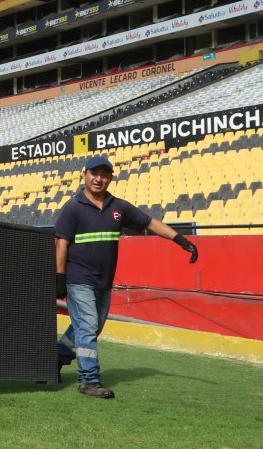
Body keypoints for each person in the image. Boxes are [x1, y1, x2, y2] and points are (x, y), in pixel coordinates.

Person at [54, 155, 199, 399]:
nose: (99, 179)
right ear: (85, 175)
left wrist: (179, 239)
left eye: (104, 175)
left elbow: (150, 223)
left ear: (110, 178)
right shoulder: (73, 208)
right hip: (79, 279)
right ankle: (89, 380)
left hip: (104, 281)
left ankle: (56, 357)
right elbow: (61, 245)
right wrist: (59, 278)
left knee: (89, 327)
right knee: (88, 327)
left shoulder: (118, 207)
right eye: (94, 174)